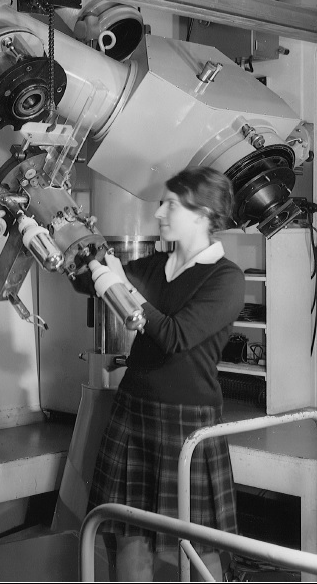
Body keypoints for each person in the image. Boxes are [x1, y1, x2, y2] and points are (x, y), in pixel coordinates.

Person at [87, 166, 246, 582]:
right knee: (129, 534)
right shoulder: (156, 265)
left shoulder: (225, 279)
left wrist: (122, 286)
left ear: (202, 213)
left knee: (198, 545)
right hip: (133, 411)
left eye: (170, 205)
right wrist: (75, 249)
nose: (159, 213)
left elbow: (176, 336)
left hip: (187, 423)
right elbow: (92, 285)